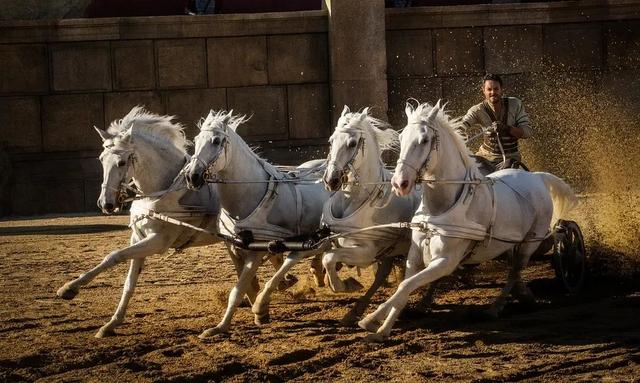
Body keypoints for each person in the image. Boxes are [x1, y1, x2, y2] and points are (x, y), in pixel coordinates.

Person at [461, 73, 532, 170]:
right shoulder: (477, 110)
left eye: (496, 89)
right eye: (489, 89)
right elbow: (463, 124)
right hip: (485, 157)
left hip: (510, 158)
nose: (493, 92)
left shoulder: (515, 104)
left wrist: (507, 128)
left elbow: (527, 132)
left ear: (501, 89)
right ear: (483, 91)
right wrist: (458, 132)